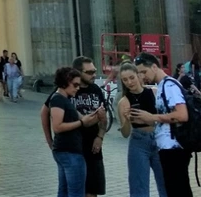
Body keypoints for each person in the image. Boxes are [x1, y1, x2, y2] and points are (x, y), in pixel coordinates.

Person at [133, 52, 193, 196]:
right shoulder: (163, 85)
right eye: (139, 73)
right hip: (169, 147)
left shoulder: (169, 86)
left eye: (144, 71)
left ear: (154, 67)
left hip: (174, 148)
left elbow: (182, 115)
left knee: (178, 190)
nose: (142, 76)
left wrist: (152, 117)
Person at [44, 66, 103, 197]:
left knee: (65, 191)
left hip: (68, 150)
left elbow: (84, 119)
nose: (77, 88)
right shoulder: (58, 99)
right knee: (75, 192)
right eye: (75, 85)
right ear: (65, 82)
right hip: (69, 151)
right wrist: (81, 123)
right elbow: (57, 127)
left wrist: (96, 116)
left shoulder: (65, 99)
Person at [116, 62, 167, 197]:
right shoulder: (124, 102)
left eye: (131, 77)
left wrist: (151, 118)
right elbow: (125, 133)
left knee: (166, 184)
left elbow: (165, 118)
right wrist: (127, 120)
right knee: (139, 187)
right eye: (125, 80)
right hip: (139, 142)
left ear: (138, 75)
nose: (129, 82)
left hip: (159, 140)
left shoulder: (154, 92)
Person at [68, 56, 107, 197]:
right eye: (89, 72)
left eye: (94, 71)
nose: (94, 75)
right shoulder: (68, 89)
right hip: (74, 147)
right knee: (76, 190)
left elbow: (104, 118)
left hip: (93, 148)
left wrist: (100, 137)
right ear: (77, 72)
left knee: (92, 190)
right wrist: (50, 141)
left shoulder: (96, 89)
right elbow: (46, 110)